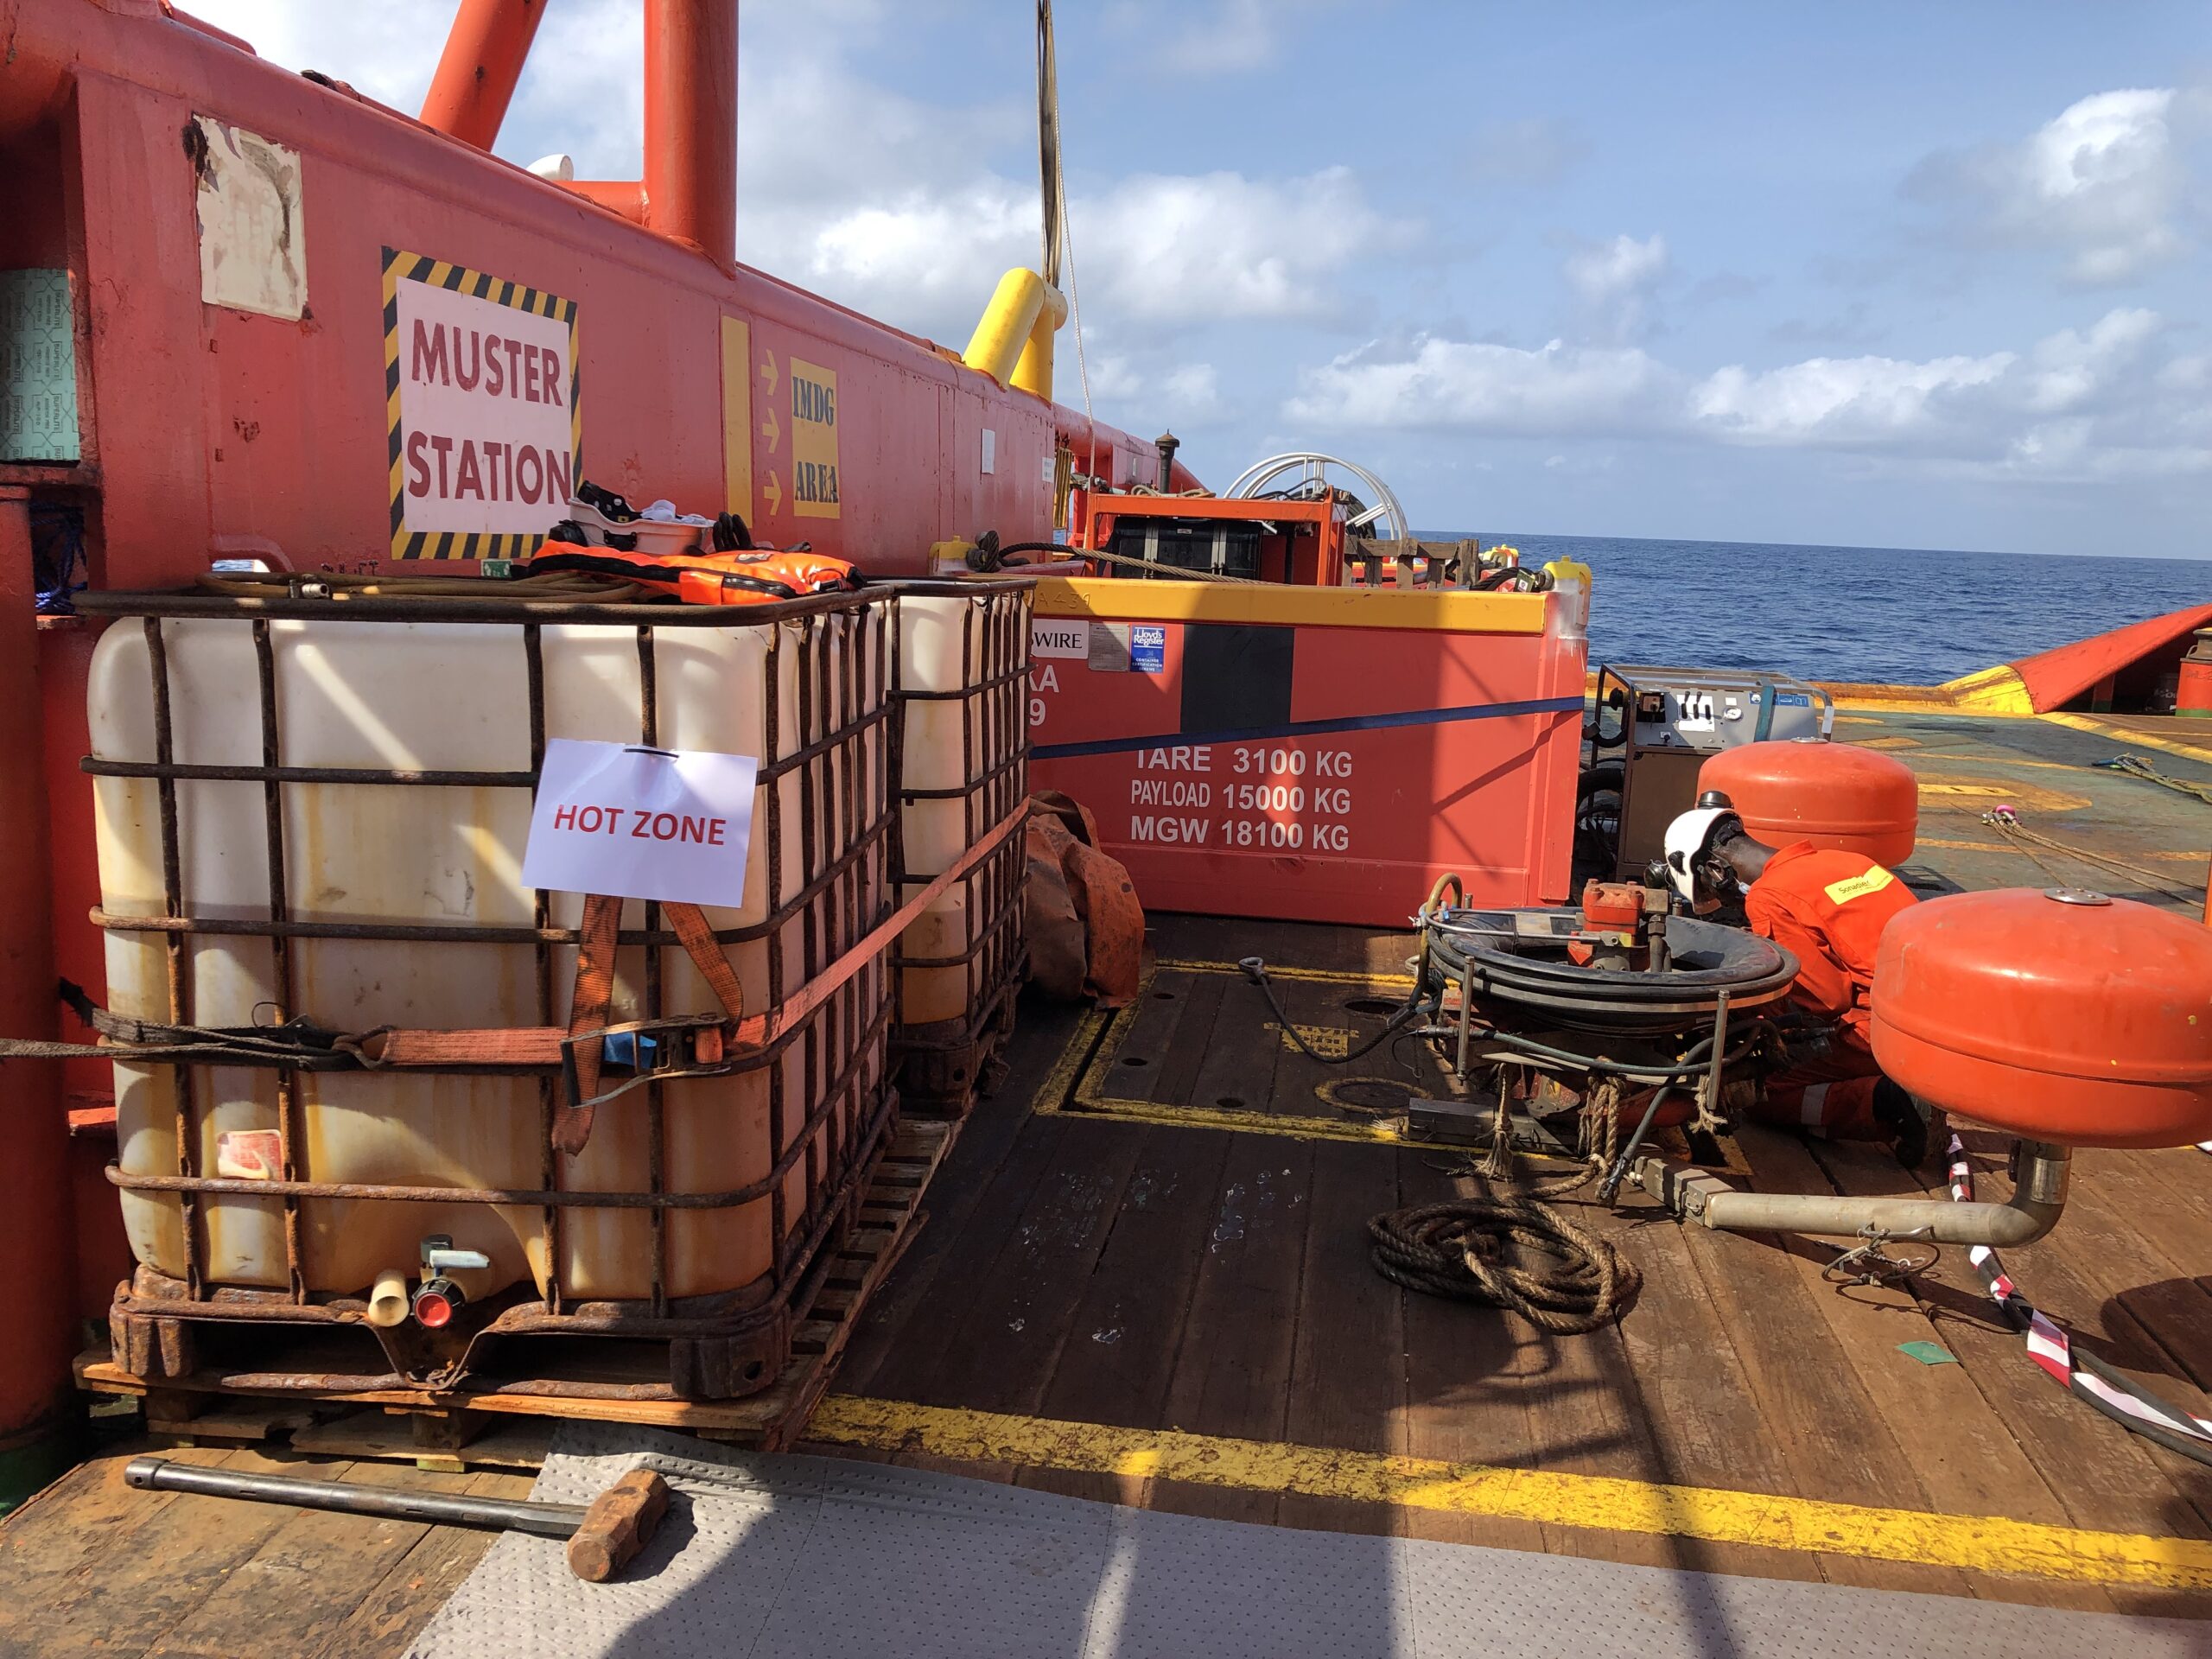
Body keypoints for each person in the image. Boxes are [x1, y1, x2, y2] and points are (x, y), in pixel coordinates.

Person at [1662, 793, 1929, 1164]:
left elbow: (1825, 1001)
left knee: (1757, 1091)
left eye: (1711, 891)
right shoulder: (1847, 860)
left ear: (1715, 870)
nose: (1730, 906)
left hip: (1882, 1031)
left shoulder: (1769, 897)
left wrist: (1754, 1008)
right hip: (1934, 1012)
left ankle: (1882, 1101)